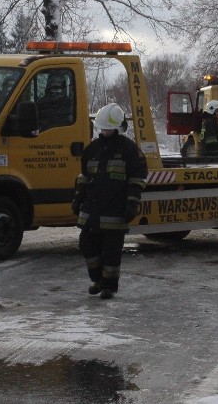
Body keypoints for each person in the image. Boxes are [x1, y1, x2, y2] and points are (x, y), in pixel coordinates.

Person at [71, 103, 148, 299]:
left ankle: (109, 286)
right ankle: (97, 279)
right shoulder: (92, 149)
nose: (104, 131)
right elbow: (84, 176)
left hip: (115, 211)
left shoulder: (129, 150)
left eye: (108, 128)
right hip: (92, 210)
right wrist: (78, 198)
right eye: (102, 127)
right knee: (86, 244)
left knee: (112, 253)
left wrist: (132, 203)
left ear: (117, 128)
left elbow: (137, 179)